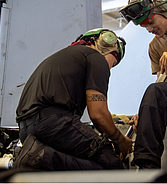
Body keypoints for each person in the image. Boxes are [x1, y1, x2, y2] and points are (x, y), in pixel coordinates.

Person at [14, 28, 133, 171]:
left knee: (80, 165)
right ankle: (43, 157)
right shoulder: (96, 57)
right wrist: (120, 140)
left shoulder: (62, 58)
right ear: (110, 48)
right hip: (53, 123)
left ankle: (40, 157)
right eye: (113, 63)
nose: (110, 68)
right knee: (110, 160)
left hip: (26, 131)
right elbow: (98, 114)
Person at [119, 0, 167, 169]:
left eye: (150, 22)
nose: (149, 29)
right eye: (144, 27)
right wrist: (147, 113)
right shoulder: (155, 47)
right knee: (155, 92)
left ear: (164, 8)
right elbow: (164, 89)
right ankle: (147, 169)